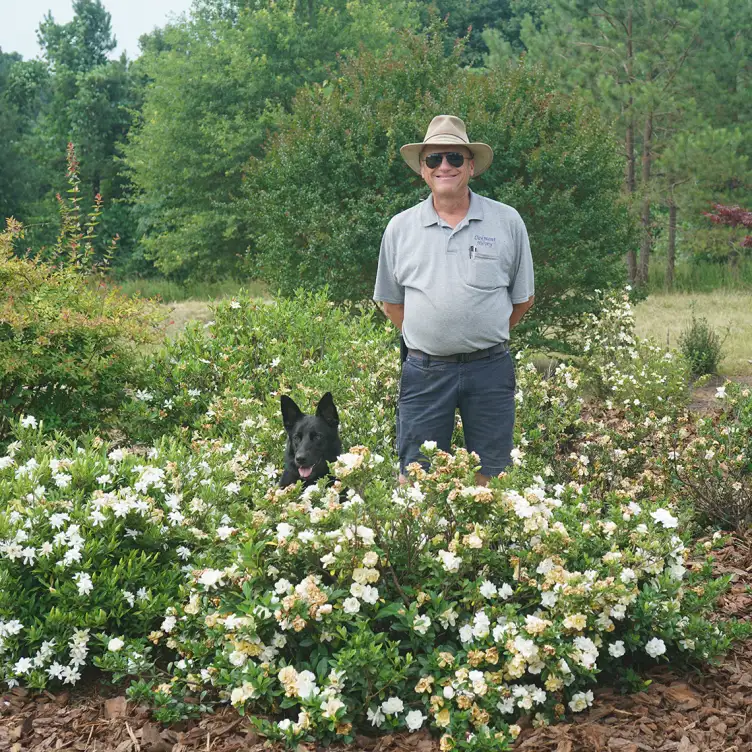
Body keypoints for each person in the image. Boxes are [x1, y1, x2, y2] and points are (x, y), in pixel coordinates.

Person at [373, 115, 535, 485]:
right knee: (416, 477)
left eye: (454, 158)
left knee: (491, 476)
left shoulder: (507, 221)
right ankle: (423, 545)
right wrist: (429, 339)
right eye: (434, 159)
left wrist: (481, 334)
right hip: (425, 373)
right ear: (423, 170)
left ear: (471, 166)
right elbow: (391, 303)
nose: (444, 166)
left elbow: (522, 299)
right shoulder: (399, 228)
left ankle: (485, 544)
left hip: (490, 370)